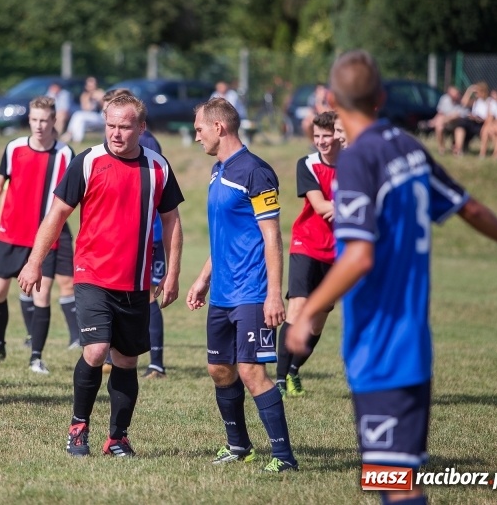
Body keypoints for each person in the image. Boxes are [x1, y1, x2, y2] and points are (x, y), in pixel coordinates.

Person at [286, 50, 497, 505]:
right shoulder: (408, 148)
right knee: (396, 478)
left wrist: (308, 313)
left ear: (335, 100)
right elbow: (469, 206)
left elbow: (358, 256)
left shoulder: (358, 162)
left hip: (380, 348)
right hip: (415, 345)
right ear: (380, 97)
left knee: (393, 486)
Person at [18, 93, 184, 457]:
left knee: (126, 360)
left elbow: (171, 222)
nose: (116, 133)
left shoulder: (158, 167)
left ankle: (118, 437)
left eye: (125, 127)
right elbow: (56, 214)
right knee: (94, 351)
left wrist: (171, 275)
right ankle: (78, 428)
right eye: (110, 125)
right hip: (92, 275)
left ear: (141, 127)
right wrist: (34, 262)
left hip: (137, 282)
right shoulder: (87, 162)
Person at [186, 97, 298, 472]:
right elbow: (226, 236)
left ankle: (283, 457)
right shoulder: (218, 171)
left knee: (252, 371)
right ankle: (239, 447)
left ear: (219, 127)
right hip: (222, 293)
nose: (196, 135)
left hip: (252, 292)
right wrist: (203, 278)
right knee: (219, 369)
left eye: (199, 128)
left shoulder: (255, 172)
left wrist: (273, 294)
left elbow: (272, 238)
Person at [0, 96, 76, 374]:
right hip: (10, 234)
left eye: (44, 120)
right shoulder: (14, 147)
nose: (39, 126)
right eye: (34, 120)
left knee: (42, 297)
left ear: (54, 121)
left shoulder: (66, 154)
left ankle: (36, 357)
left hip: (45, 239)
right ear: (28, 120)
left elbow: (76, 199)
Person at [99, 88, 169, 379]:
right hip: (128, 235)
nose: (113, 129)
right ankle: (115, 354)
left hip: (147, 235)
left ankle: (155, 362)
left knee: (148, 296)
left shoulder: (146, 144)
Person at [275, 111, 343, 398]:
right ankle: (278, 381)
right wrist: (361, 204)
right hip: (306, 244)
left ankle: (293, 372)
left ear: (339, 134)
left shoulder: (356, 163)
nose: (321, 142)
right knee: (298, 308)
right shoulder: (308, 164)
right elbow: (320, 206)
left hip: (339, 251)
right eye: (316, 136)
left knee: (318, 319)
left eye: (326, 136)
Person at [63, 76, 105, 143]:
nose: (91, 86)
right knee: (79, 119)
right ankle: (76, 139)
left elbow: (105, 107)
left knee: (78, 115)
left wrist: (99, 99)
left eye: (93, 83)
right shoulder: (85, 95)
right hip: (89, 116)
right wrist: (90, 98)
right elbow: (86, 109)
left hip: (100, 117)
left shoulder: (100, 93)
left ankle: (69, 134)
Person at [451, 82, 490, 155]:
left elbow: (488, 117)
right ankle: (458, 149)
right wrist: (469, 90)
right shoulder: (477, 101)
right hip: (473, 121)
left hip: (482, 123)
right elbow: (463, 103)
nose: (476, 94)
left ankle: (458, 148)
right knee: (460, 124)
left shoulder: (488, 101)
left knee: (462, 123)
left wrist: (477, 118)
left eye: (477, 92)